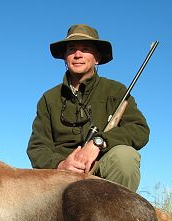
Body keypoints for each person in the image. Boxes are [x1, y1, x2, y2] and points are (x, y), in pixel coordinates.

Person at [27, 24, 149, 192]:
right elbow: (37, 147)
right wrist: (61, 164)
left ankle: (112, 215)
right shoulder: (49, 98)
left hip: (102, 172)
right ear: (65, 57)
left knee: (125, 157)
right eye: (72, 49)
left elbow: (139, 130)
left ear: (97, 57)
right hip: (60, 177)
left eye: (85, 49)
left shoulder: (116, 90)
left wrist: (99, 142)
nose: (78, 55)